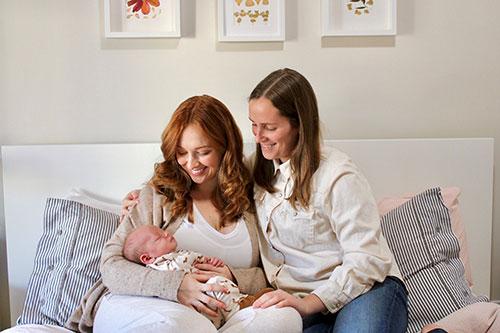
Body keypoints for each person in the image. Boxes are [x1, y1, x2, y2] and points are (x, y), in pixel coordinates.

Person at [121, 69, 409, 332]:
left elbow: (367, 260)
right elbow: (206, 173)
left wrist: (310, 303)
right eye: (253, 125)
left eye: (270, 127)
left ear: (299, 125)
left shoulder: (338, 175)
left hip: (363, 290)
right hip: (295, 303)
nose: (259, 137)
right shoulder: (255, 171)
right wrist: (144, 194)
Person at [83, 95, 302, 333]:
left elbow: (273, 274)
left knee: (285, 318)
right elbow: (111, 266)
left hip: (226, 311)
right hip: (157, 305)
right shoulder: (158, 195)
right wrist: (176, 286)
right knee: (177, 326)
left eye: (203, 152)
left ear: (225, 147)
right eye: (181, 152)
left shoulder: (255, 195)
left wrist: (234, 276)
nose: (191, 163)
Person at [122, 224, 273, 329]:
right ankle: (241, 305)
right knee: (215, 284)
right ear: (147, 259)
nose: (166, 233)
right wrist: (177, 285)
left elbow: (201, 260)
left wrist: (216, 264)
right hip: (193, 308)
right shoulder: (160, 267)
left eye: (163, 231)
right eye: (158, 238)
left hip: (208, 305)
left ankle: (239, 306)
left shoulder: (180, 255)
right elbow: (113, 266)